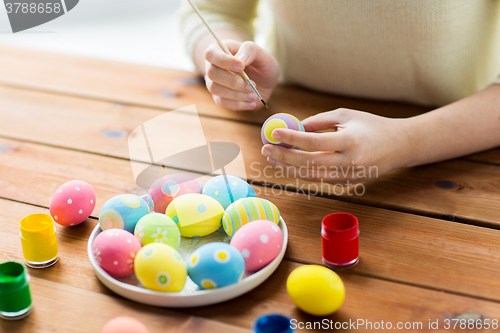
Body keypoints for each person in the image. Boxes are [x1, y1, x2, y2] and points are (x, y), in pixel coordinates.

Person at [179, 0, 500, 184]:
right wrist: (225, 59)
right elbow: (211, 11)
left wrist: (406, 142)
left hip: (460, 150)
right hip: (285, 127)